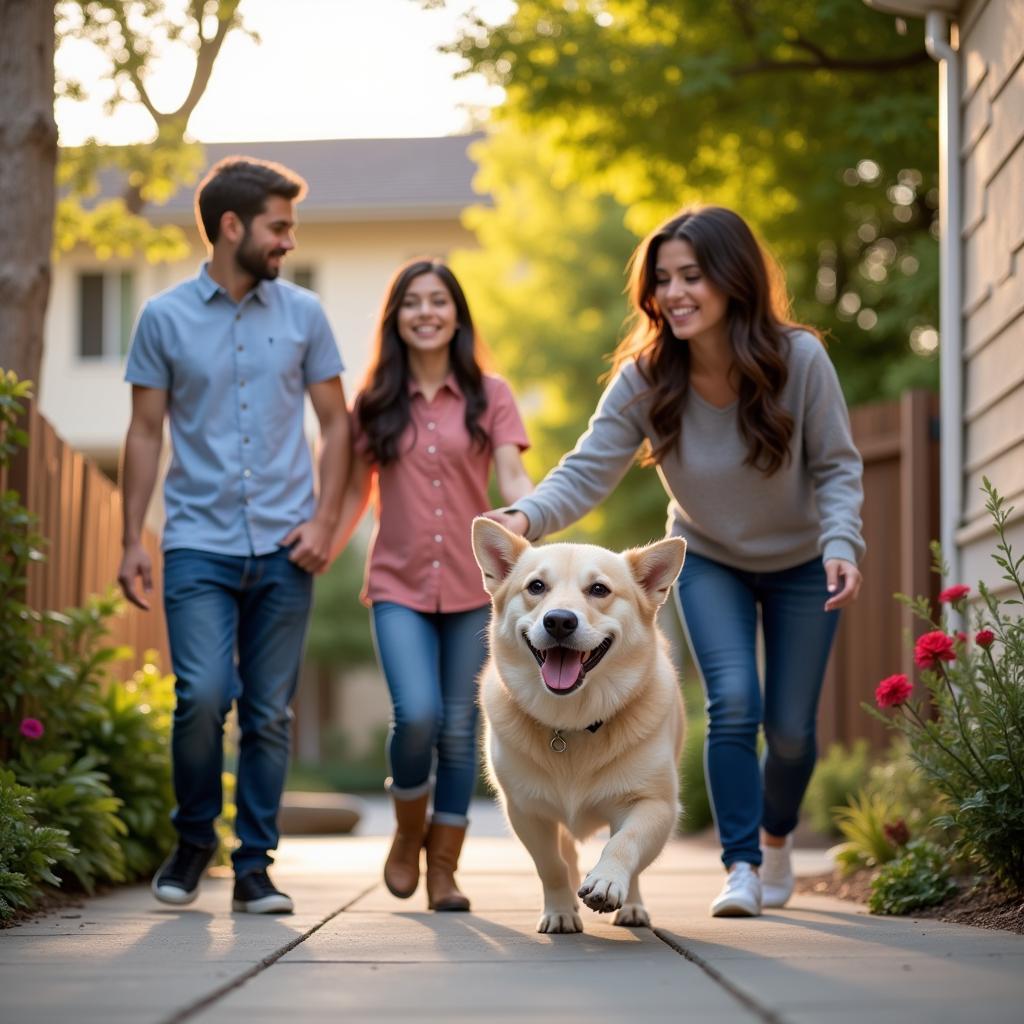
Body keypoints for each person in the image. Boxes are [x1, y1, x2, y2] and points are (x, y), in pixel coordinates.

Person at [488, 205, 864, 918]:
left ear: (734, 279)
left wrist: (843, 543)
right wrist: (526, 517)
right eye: (662, 279)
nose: (675, 293)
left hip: (801, 560)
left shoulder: (800, 360)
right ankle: (744, 867)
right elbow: (588, 467)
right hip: (711, 555)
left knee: (788, 729)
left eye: (692, 276)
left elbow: (839, 466)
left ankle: (777, 838)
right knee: (732, 703)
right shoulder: (646, 376)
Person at [118, 157, 350, 915]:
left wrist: (324, 522)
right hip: (197, 543)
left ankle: (254, 864)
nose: (287, 240)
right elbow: (146, 434)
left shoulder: (305, 316)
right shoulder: (164, 318)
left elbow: (337, 424)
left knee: (268, 713)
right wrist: (131, 539)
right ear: (231, 227)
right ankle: (193, 840)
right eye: (278, 227)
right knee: (202, 695)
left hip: (287, 547)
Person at [333, 259, 532, 912]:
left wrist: (532, 534)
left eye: (438, 300)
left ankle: (443, 870)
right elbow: (352, 496)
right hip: (398, 587)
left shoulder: (490, 394)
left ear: (457, 314)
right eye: (412, 302)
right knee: (416, 715)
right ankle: (407, 831)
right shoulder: (375, 404)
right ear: (397, 318)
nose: (426, 312)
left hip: (476, 593)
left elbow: (513, 478)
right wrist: (320, 547)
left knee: (457, 727)